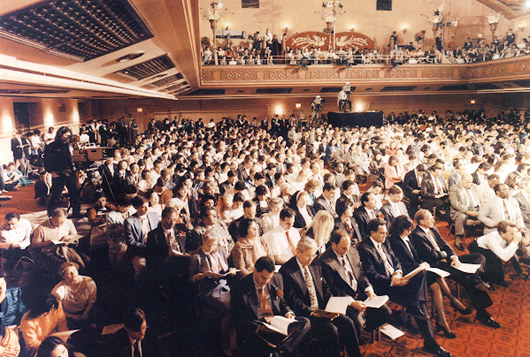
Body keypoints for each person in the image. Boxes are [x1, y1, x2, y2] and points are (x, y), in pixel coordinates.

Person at [357, 218, 451, 357]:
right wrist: (392, 281)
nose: (384, 236)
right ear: (372, 232)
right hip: (383, 286)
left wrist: (398, 273)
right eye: (381, 233)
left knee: (420, 275)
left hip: (396, 279)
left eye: (385, 233)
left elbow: (396, 260)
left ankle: (419, 314)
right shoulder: (364, 248)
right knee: (418, 304)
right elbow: (371, 274)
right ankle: (430, 341)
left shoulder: (385, 241)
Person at [410, 209, 499, 329]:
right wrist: (447, 256)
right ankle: (483, 313)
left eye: (432, 217)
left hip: (447, 260)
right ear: (421, 221)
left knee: (479, 257)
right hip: (437, 266)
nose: (433, 220)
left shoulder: (432, 228)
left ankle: (475, 278)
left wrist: (454, 257)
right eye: (429, 219)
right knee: (468, 280)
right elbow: (432, 254)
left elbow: (445, 244)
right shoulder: (416, 235)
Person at [388, 216, 470, 339]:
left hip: (417, 270)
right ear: (400, 229)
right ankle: (453, 301)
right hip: (407, 274)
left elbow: (415, 256)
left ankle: (442, 321)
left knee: (436, 286)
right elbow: (400, 263)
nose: (410, 232)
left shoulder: (407, 238)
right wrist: (419, 265)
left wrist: (421, 263)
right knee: (436, 276)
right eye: (408, 230)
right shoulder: (393, 241)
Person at [280, 237, 362, 357]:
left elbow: (324, 288)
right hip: (308, 314)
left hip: (324, 309)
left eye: (313, 255)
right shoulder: (287, 271)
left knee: (348, 322)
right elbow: (293, 301)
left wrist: (333, 304)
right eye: (307, 255)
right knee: (331, 331)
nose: (310, 259)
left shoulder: (315, 263)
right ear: (297, 252)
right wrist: (314, 312)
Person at [230, 256, 310, 357]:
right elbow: (239, 318)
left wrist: (288, 313)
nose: (266, 281)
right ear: (255, 271)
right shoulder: (240, 287)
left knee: (305, 322)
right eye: (263, 277)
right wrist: (259, 328)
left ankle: (283, 349)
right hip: (258, 324)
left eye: (269, 278)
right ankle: (281, 350)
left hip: (276, 320)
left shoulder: (277, 279)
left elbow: (282, 302)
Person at [319, 230, 391, 338]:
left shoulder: (352, 250)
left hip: (359, 292)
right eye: (344, 248)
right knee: (357, 323)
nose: (347, 250)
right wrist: (352, 303)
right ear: (334, 245)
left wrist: (368, 289)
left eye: (348, 246)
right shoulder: (325, 260)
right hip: (345, 298)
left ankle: (365, 327)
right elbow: (334, 289)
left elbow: (360, 273)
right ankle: (354, 336)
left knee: (386, 312)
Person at [468, 221, 528, 287]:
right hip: (478, 247)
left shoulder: (507, 236)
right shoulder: (493, 240)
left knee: (497, 263)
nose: (514, 236)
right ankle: (486, 282)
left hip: (489, 248)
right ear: (502, 233)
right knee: (487, 264)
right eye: (511, 234)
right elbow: (505, 257)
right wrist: (515, 241)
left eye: (515, 232)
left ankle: (498, 281)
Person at [44, 126, 81, 218]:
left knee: (74, 193)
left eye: (69, 135)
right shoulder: (51, 146)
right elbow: (47, 160)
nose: (67, 137)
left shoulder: (71, 145)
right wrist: (51, 171)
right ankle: (52, 214)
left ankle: (76, 212)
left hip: (71, 172)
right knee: (56, 195)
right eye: (65, 135)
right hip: (58, 173)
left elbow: (75, 159)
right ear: (60, 134)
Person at [51, 262, 97, 329]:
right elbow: (57, 309)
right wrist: (72, 317)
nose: (73, 274)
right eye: (69, 273)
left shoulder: (88, 281)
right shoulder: (58, 290)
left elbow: (92, 300)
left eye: (75, 271)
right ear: (63, 276)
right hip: (69, 316)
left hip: (87, 311)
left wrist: (86, 313)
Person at [449, 173, 481, 251]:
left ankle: (484, 239)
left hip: (476, 209)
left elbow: (480, 200)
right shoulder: (454, 188)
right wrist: (468, 211)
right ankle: (458, 240)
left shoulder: (474, 187)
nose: (470, 184)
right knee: (461, 216)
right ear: (461, 180)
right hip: (461, 211)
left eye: (471, 182)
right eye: (467, 182)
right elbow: (455, 204)